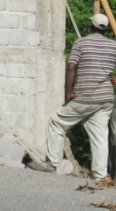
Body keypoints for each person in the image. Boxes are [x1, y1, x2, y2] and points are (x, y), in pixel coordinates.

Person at [29, 13, 116, 184]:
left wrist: (68, 92)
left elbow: (71, 67)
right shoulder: (113, 46)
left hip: (86, 96)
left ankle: (52, 163)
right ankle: (100, 175)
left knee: (57, 122)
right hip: (106, 98)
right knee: (100, 136)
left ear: (90, 25)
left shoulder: (81, 43)